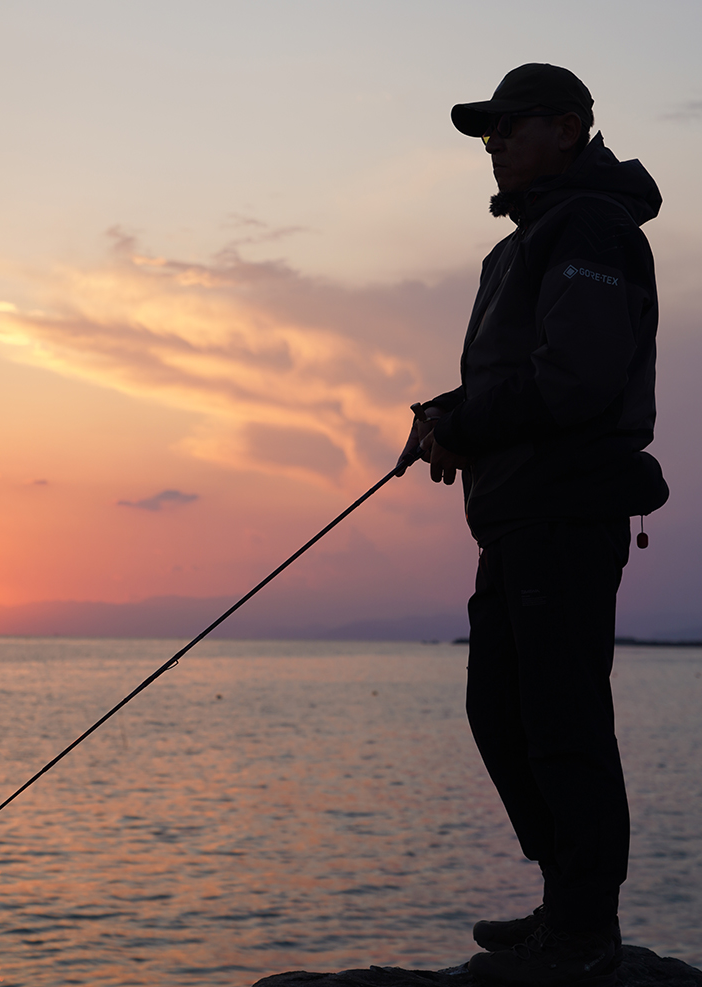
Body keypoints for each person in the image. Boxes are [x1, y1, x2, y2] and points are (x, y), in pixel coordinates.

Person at [397, 63, 669, 987]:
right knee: (502, 710)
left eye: (509, 126)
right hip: (514, 516)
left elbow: (578, 380)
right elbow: (521, 375)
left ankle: (585, 925)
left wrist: (465, 422)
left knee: (561, 717)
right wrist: (448, 410)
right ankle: (568, 900)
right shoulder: (521, 245)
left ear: (569, 126)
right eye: (487, 133)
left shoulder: (591, 226)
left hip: (566, 508)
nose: (495, 143)